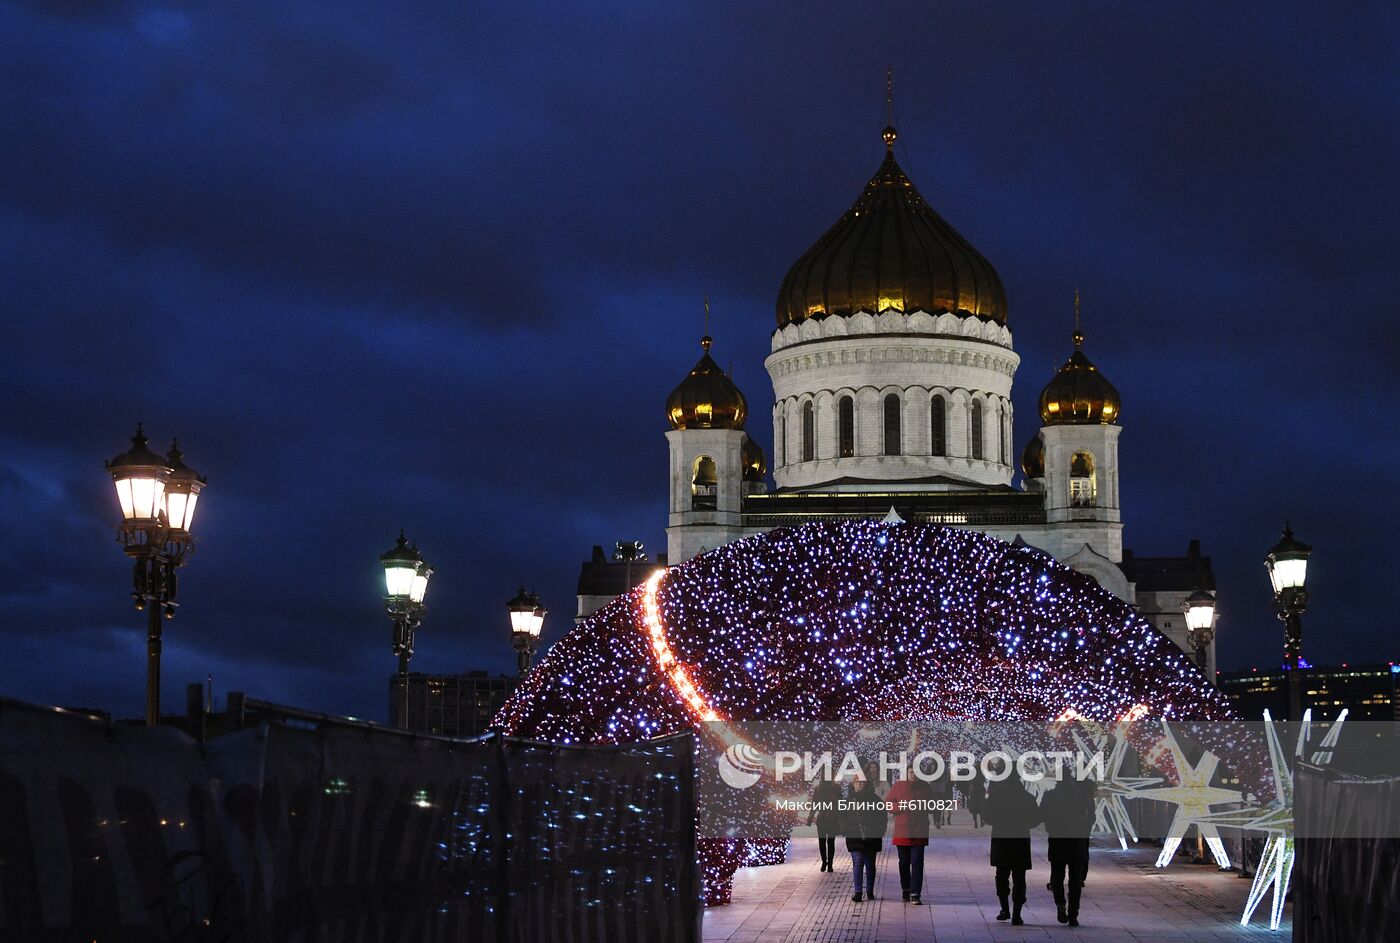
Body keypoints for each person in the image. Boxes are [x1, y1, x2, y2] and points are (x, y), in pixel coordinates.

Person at [983, 761, 1041, 925]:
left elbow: (987, 817)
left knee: (1001, 875)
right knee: (1019, 877)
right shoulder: (1027, 797)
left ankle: (1004, 909)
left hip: (1001, 839)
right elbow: (1035, 820)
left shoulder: (997, 796)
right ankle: (1017, 913)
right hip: (1020, 840)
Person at [1041, 772, 1096, 926]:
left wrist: (1050, 825)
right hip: (1076, 841)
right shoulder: (1081, 795)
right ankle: (1073, 913)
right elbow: (1091, 817)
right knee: (1075, 879)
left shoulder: (1050, 796)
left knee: (1057, 876)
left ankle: (1060, 903)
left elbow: (1041, 815)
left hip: (1057, 839)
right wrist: (1084, 830)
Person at [886, 769, 933, 904]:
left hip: (920, 830)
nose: (914, 775)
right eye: (911, 772)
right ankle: (906, 888)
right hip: (903, 830)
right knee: (904, 862)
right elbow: (888, 803)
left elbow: (933, 806)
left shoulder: (926, 787)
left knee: (917, 862)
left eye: (917, 772)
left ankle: (915, 893)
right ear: (907, 773)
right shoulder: (899, 786)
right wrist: (902, 806)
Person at [843, 763, 887, 902]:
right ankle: (857, 891)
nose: (859, 784)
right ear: (853, 784)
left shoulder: (875, 800)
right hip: (855, 836)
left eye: (862, 782)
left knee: (870, 865)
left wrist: (878, 832)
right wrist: (845, 829)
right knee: (857, 863)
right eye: (857, 782)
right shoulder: (848, 800)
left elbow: (882, 819)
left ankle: (869, 890)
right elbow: (841, 816)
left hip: (871, 837)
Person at [807, 771, 843, 872]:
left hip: (824, 817)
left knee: (824, 841)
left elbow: (814, 803)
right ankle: (828, 864)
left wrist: (811, 816)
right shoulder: (835, 787)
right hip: (829, 818)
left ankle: (825, 863)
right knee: (829, 842)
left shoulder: (820, 788)